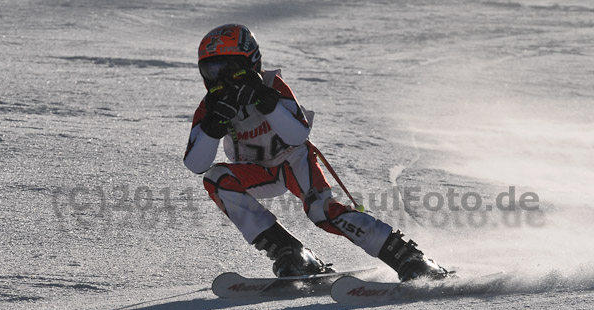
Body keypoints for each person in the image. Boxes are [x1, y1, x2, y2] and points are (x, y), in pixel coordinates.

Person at [184, 24, 448, 281]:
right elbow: (197, 164)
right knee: (216, 178)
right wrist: (211, 128)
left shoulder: (272, 85)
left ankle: (406, 256)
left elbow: (297, 135)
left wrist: (264, 101)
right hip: (257, 170)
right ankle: (291, 252)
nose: (222, 79)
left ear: (251, 63)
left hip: (293, 159)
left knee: (321, 211)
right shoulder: (211, 106)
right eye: (212, 70)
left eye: (229, 69)